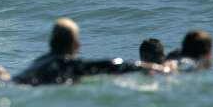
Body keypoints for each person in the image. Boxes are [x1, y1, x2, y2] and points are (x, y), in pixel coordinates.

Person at [13, 18, 160, 86]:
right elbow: (112, 65)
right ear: (75, 45)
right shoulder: (68, 64)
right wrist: (153, 67)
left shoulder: (39, 61)